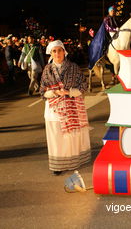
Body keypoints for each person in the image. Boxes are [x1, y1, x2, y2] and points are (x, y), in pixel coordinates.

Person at [40, 40, 91, 175]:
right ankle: (57, 166)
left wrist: (68, 92)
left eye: (60, 50)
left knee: (71, 137)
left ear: (64, 51)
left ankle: (73, 162)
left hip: (72, 106)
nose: (57, 53)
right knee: (56, 136)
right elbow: (42, 91)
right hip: (53, 109)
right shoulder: (47, 70)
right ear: (50, 53)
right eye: (54, 51)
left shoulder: (74, 67)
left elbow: (84, 85)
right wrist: (54, 92)